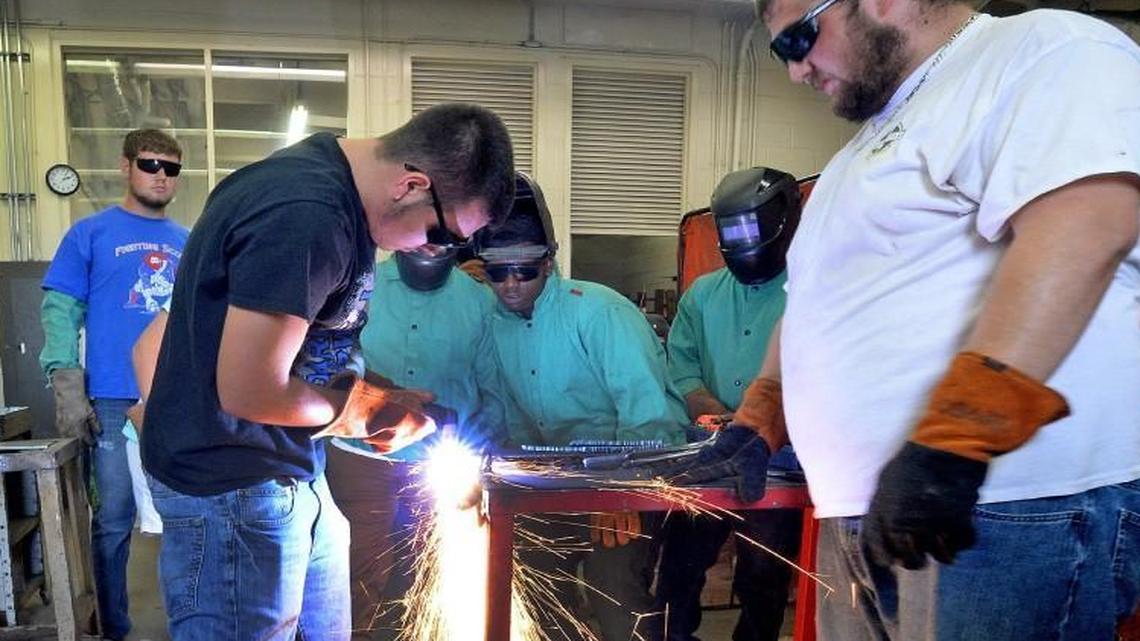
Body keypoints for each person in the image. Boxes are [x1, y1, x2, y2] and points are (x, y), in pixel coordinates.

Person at [729, 0, 1138, 638]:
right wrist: (762, 414)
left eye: (797, 41)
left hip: (1002, 504)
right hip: (875, 508)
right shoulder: (859, 152)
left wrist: (958, 437)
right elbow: (811, 299)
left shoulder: (1044, 48)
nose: (796, 72)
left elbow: (1088, 222)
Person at [140, 103, 514, 641]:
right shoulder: (307, 214)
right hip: (233, 485)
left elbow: (307, 346)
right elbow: (247, 390)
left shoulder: (338, 190)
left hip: (287, 468)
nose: (437, 252)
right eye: (443, 234)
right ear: (411, 185)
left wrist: (377, 391)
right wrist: (364, 412)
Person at [480, 172, 688, 641]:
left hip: (626, 478)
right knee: (529, 588)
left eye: (525, 270)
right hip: (549, 483)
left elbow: (651, 416)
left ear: (549, 262)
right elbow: (498, 418)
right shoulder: (492, 325)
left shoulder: (599, 312)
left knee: (615, 594)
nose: (510, 283)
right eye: (497, 271)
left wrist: (620, 493)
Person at [39, 128, 188, 641]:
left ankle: (189, 625)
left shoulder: (188, 242)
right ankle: (114, 627)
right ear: (126, 166)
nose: (161, 176)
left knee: (186, 516)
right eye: (151, 164)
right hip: (114, 396)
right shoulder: (91, 234)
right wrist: (65, 379)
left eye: (171, 168)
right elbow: (61, 306)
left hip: (175, 402)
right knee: (113, 519)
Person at [323, 248, 509, 640]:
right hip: (361, 457)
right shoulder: (360, 284)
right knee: (356, 574)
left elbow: (492, 388)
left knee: (426, 576)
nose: (429, 247)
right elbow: (332, 361)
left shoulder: (477, 301)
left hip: (440, 459)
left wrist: (481, 459)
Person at [655, 167, 804, 641]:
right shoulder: (703, 294)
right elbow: (680, 365)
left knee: (763, 577)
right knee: (679, 569)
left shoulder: (810, 288)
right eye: (730, 235)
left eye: (750, 234)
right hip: (710, 454)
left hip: (779, 459)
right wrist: (707, 406)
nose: (741, 245)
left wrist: (759, 423)